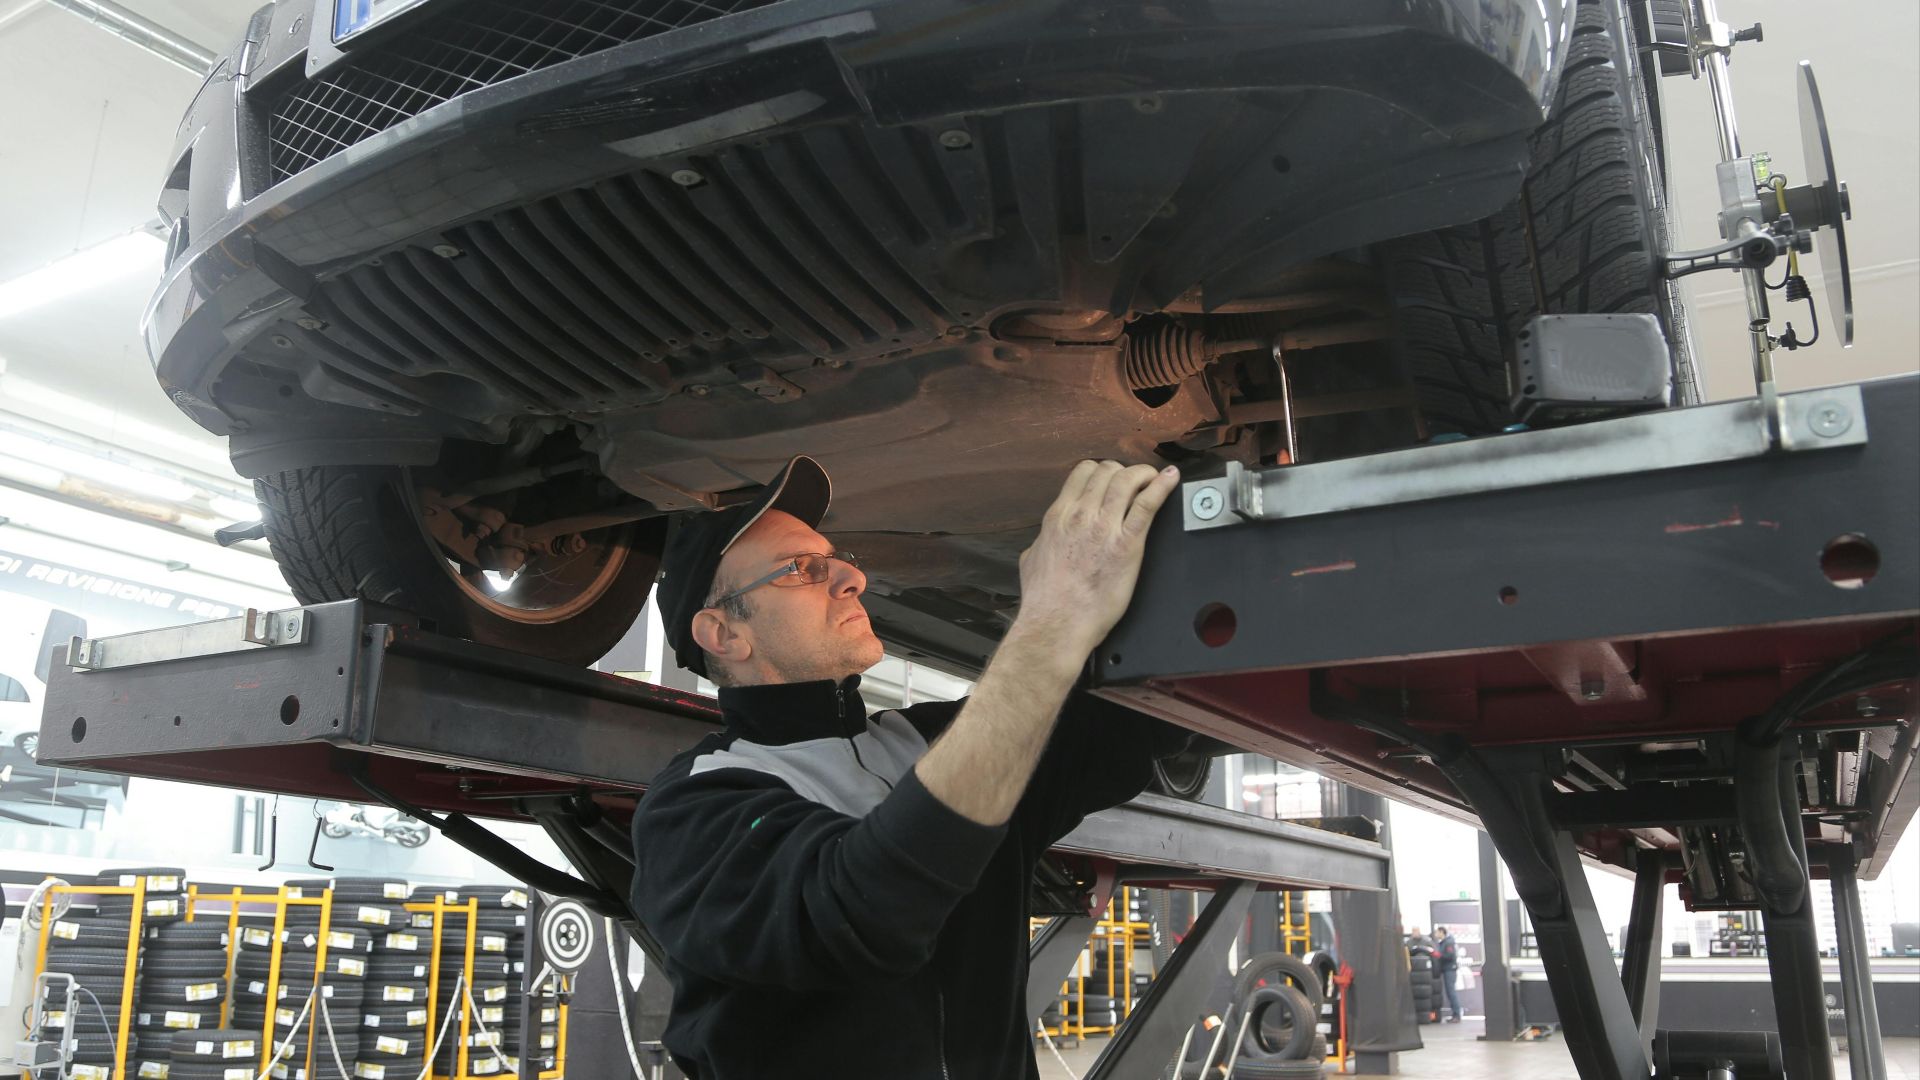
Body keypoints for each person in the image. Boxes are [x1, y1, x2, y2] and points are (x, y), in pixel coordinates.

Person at [628, 455, 1200, 1079]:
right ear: (725, 635)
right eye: (804, 569)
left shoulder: (929, 740)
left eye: (840, 559)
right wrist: (1051, 622)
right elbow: (863, 912)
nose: (851, 578)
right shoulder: (695, 810)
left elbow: (1145, 716)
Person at [1435, 925, 1462, 1022]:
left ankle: (1457, 1015)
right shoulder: (1443, 943)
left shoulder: (1449, 942)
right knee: (1450, 993)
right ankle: (1455, 1014)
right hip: (1446, 970)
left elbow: (1450, 955)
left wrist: (1439, 955)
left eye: (1437, 932)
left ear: (1442, 932)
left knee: (1451, 993)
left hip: (1450, 970)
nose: (1436, 934)